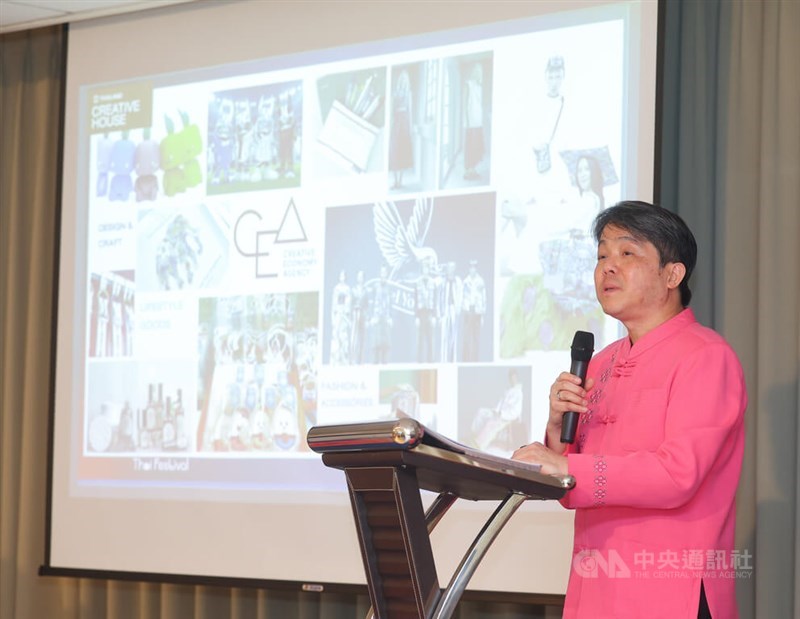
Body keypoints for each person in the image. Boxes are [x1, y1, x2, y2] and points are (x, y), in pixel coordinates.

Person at [513, 201, 747, 619]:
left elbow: (677, 475)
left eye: (627, 253)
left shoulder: (706, 356)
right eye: (602, 255)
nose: (607, 267)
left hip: (668, 594)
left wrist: (567, 469)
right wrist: (555, 432)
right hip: (596, 589)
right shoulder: (600, 362)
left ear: (672, 275)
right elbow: (572, 486)